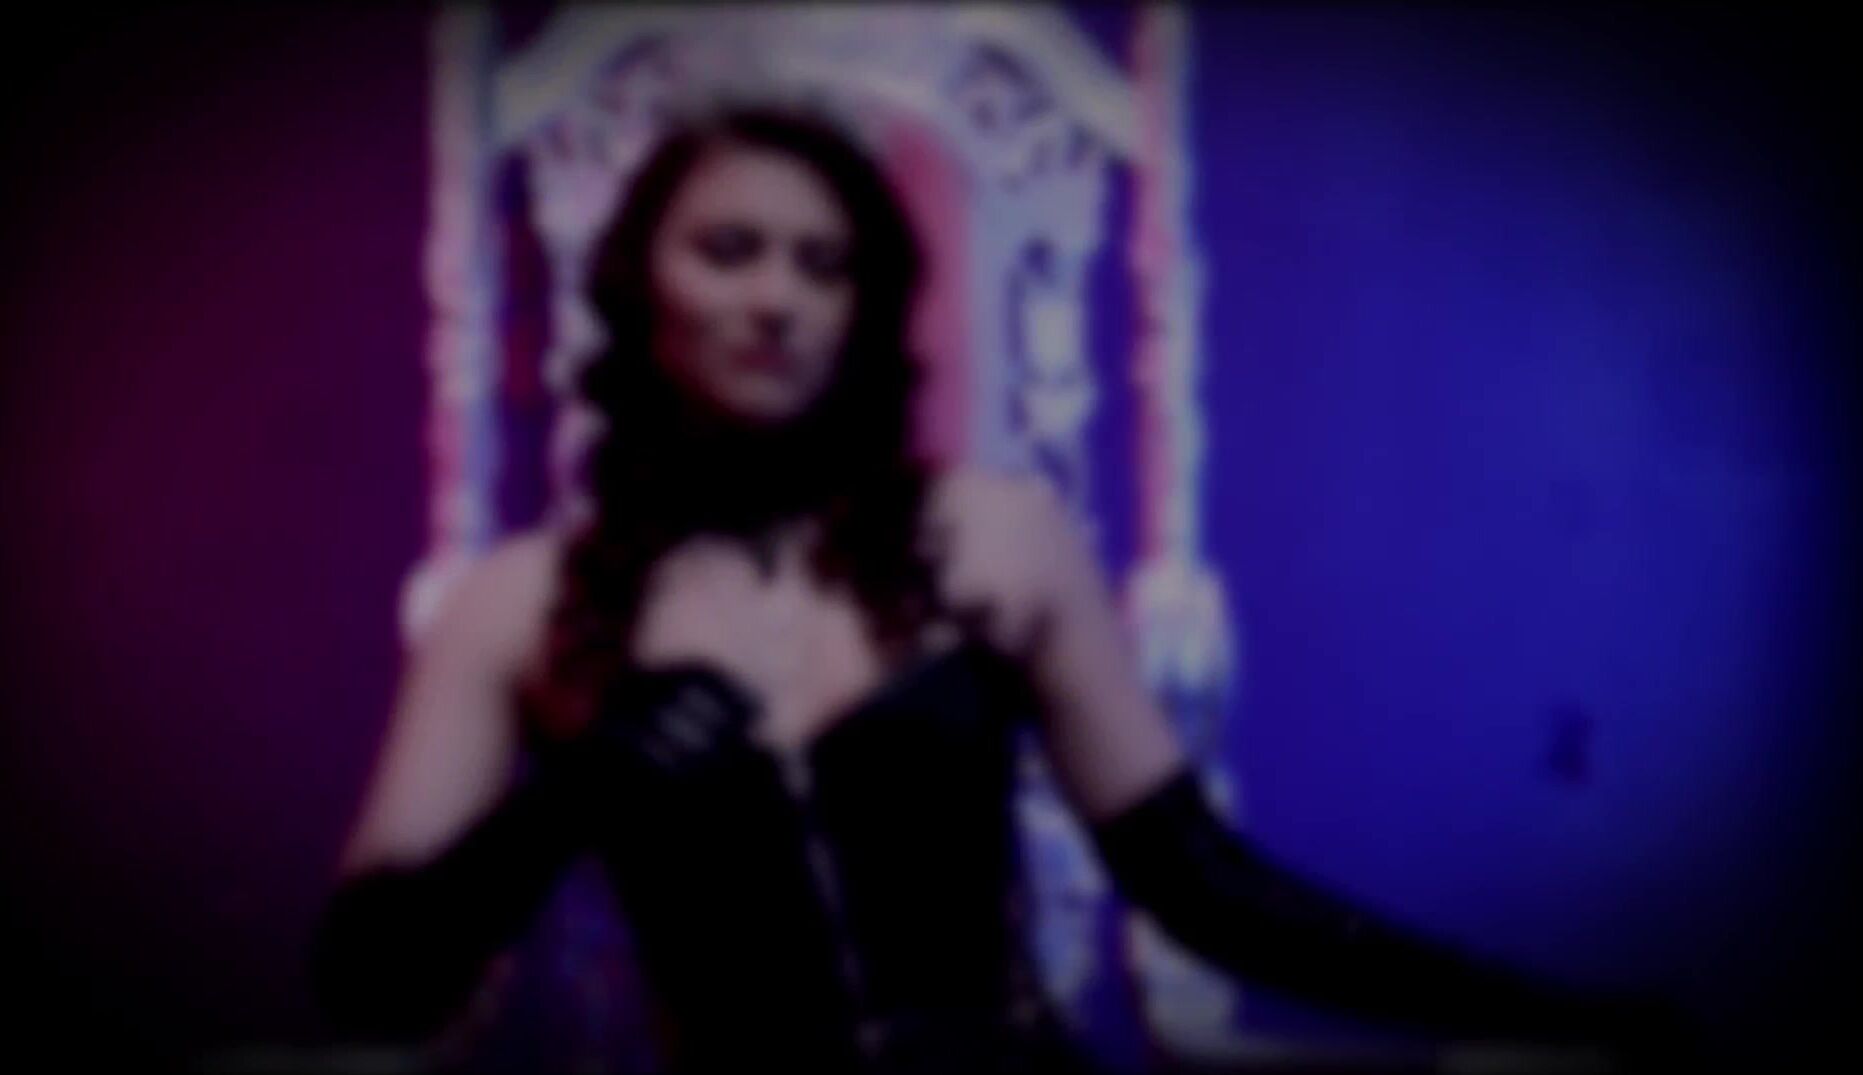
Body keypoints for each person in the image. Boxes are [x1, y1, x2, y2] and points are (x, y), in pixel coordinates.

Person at [310, 103, 1672, 1074]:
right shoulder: (520, 606)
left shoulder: (996, 538)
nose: (780, 298)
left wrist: (1541, 1016)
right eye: (729, 249)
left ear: (863, 312)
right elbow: (367, 988)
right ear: (638, 287)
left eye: (825, 265)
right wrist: (566, 798)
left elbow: (1201, 887)